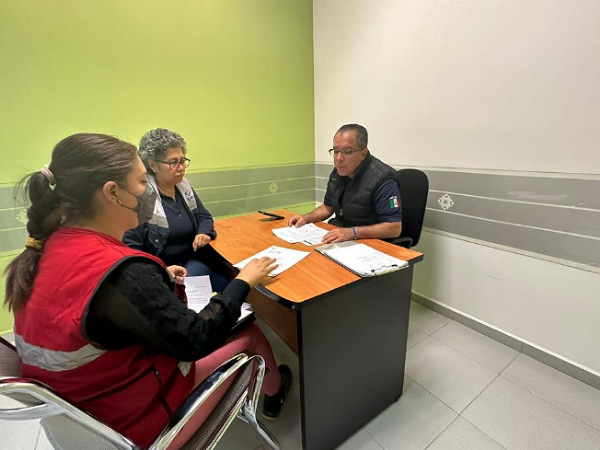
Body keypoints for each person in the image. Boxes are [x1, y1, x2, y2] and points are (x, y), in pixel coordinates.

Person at [4, 133, 292, 449]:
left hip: (79, 421)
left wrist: (159, 279)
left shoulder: (45, 248)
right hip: (134, 427)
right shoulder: (126, 272)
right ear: (113, 193)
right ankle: (276, 389)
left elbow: (97, 303)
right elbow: (196, 339)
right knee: (250, 332)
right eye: (142, 182)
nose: (147, 193)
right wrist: (244, 280)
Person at [123, 128, 229, 292]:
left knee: (232, 281)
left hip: (194, 260)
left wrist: (204, 233)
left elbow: (204, 215)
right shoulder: (143, 197)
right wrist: (161, 271)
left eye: (183, 160)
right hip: (166, 270)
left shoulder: (182, 186)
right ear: (152, 165)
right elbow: (131, 248)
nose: (181, 168)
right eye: (173, 162)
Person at [289, 123, 402, 243]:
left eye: (347, 151)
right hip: (341, 237)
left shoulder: (383, 179)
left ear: (363, 154)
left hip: (370, 242)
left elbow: (394, 228)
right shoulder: (338, 173)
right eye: (335, 151)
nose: (338, 158)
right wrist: (306, 218)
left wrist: (351, 233)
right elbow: (327, 208)